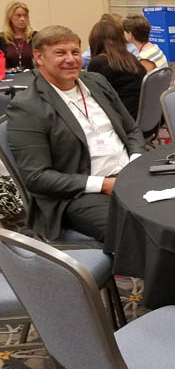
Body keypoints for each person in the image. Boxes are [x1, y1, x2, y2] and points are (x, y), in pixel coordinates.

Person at [6, 25, 145, 241]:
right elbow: (36, 177)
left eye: (75, 52)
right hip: (79, 194)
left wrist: (135, 161)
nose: (70, 59)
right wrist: (103, 184)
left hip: (129, 175)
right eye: (60, 53)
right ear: (39, 57)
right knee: (138, 229)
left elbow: (131, 129)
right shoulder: (27, 107)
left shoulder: (96, 82)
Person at [87, 19, 147, 119]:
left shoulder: (99, 63)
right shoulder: (131, 58)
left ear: (94, 41)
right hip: (142, 116)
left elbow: (94, 97)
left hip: (123, 120)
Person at [1, 0, 37, 70]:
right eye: (18, 15)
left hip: (32, 75)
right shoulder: (2, 38)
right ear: (10, 17)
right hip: (9, 76)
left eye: (25, 15)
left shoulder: (35, 36)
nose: (22, 19)